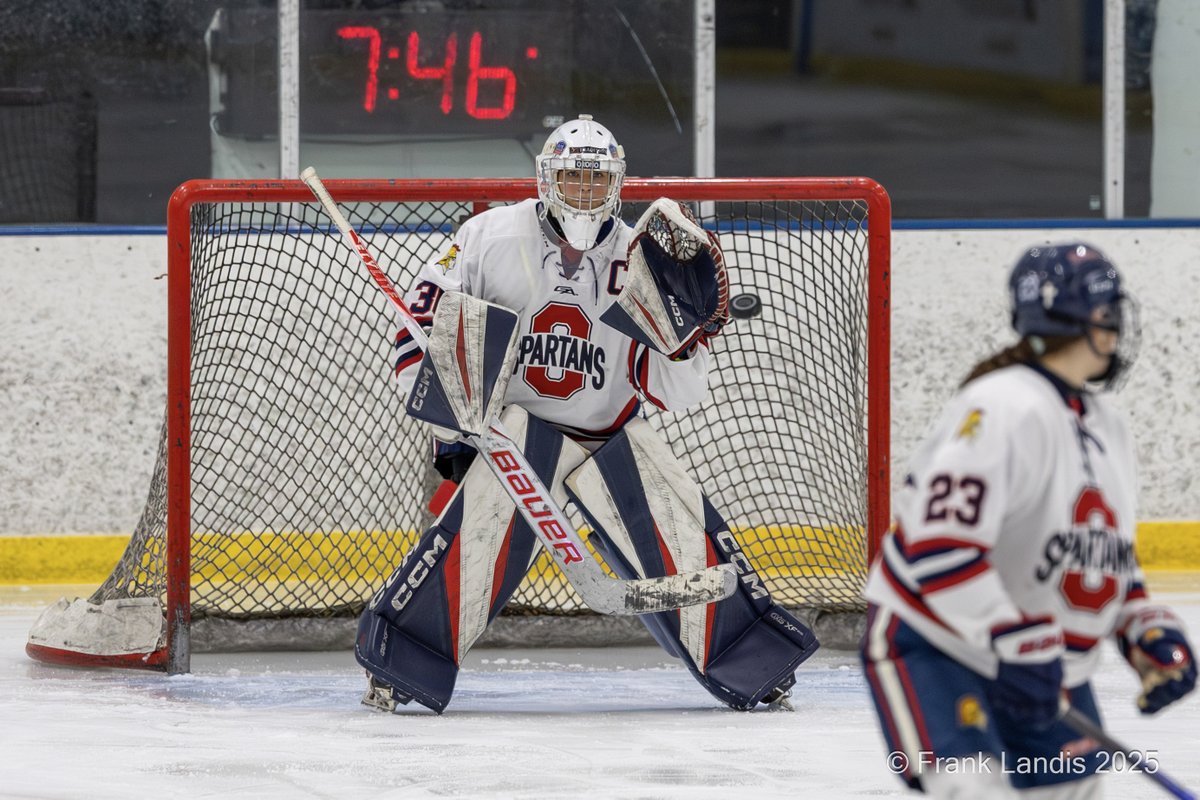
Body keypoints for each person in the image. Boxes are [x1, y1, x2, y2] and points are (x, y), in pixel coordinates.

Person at [355, 114, 819, 714]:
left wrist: (688, 338)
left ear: (617, 185)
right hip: (514, 432)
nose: (583, 193)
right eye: (571, 179)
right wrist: (455, 424)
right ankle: (399, 660)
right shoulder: (487, 237)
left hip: (609, 434)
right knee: (474, 540)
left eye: (595, 182)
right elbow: (417, 332)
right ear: (546, 180)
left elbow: (680, 393)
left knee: (682, 535)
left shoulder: (641, 259)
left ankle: (752, 660)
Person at [861, 242, 1196, 798]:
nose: (1116, 328)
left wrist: (1143, 628)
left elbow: (1104, 554)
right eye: (1107, 312)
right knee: (972, 790)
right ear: (1073, 318)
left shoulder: (1107, 424)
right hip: (937, 646)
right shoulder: (1000, 407)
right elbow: (938, 548)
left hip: (1039, 659)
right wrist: (1013, 640)